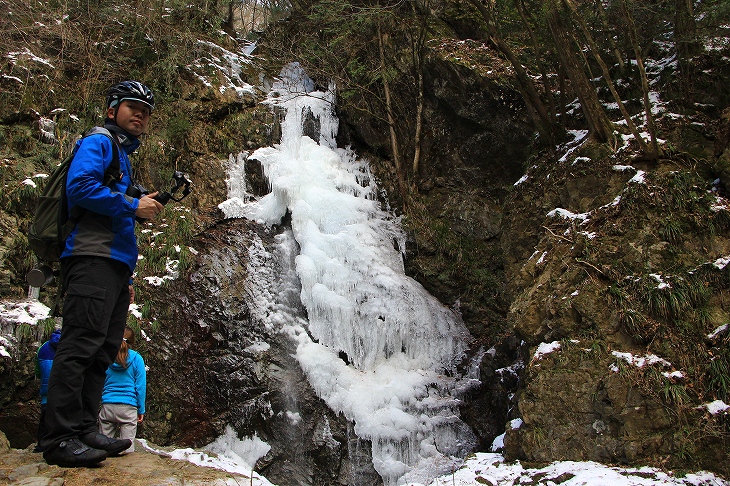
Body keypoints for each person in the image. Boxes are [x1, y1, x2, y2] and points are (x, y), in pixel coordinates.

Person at [40, 81, 164, 468]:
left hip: (113, 266)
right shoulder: (100, 142)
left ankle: (83, 429)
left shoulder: (122, 156)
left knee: (102, 350)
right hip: (91, 257)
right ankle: (59, 438)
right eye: (132, 106)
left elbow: (117, 214)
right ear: (112, 110)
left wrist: (126, 279)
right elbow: (80, 188)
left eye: (145, 108)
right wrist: (132, 204)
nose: (140, 113)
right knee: (79, 345)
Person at [98, 327, 146, 454]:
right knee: (126, 448)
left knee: (104, 446)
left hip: (108, 405)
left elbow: (99, 380)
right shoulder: (136, 359)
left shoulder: (107, 357)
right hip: (128, 407)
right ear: (132, 342)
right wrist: (141, 409)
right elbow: (140, 387)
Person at [34, 328, 62, 453]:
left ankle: (42, 445)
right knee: (62, 418)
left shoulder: (43, 348)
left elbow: (38, 371)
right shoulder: (68, 346)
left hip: (46, 390)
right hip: (63, 391)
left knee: (45, 419)